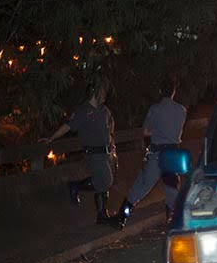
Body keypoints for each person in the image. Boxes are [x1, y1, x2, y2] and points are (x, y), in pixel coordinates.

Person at [115, 77, 186, 227]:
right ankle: (172, 219)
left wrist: (157, 130)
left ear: (160, 91)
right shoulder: (181, 110)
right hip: (173, 153)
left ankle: (122, 216)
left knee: (142, 185)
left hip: (157, 153)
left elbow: (146, 131)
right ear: (174, 91)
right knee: (172, 186)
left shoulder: (155, 109)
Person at [43, 81, 117, 224]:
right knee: (106, 180)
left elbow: (111, 123)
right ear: (96, 93)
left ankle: (101, 214)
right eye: (102, 93)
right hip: (94, 153)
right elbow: (68, 126)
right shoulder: (84, 111)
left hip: (106, 152)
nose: (105, 96)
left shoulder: (104, 110)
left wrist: (111, 139)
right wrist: (51, 138)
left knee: (105, 182)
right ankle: (76, 186)